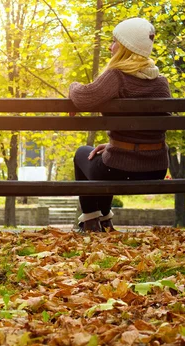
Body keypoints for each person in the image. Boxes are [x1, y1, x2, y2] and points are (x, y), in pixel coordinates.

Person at [69, 17, 171, 232]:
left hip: (119, 168)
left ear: (126, 47)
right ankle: (105, 220)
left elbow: (83, 98)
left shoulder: (116, 77)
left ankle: (90, 221)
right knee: (103, 156)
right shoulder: (161, 83)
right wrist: (114, 145)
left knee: (82, 153)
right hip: (156, 169)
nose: (109, 46)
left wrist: (73, 86)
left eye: (114, 41)